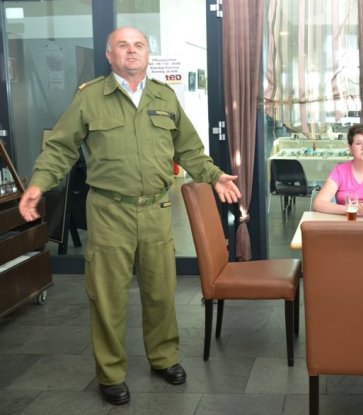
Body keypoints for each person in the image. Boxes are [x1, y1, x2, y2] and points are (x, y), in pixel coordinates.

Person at [18, 27, 242, 406]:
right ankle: (110, 373)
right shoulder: (90, 98)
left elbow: (189, 148)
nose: (132, 51)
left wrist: (214, 175)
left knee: (160, 291)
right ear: (110, 55)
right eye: (123, 45)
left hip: (156, 209)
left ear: (148, 54)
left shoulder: (164, 97)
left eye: (139, 45)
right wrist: (38, 184)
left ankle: (163, 357)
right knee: (107, 296)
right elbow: (60, 148)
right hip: (109, 211)